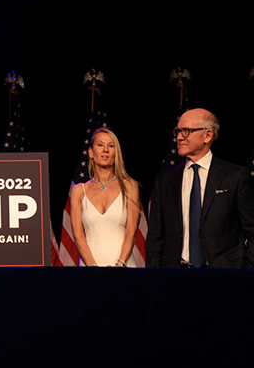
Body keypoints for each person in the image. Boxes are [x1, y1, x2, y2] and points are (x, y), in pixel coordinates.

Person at [146, 108, 254, 268]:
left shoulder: (235, 176)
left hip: (224, 277)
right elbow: (156, 236)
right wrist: (155, 276)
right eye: (178, 131)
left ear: (208, 135)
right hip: (175, 276)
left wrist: (245, 272)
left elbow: (251, 231)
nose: (179, 137)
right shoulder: (166, 179)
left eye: (186, 131)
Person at [70, 128, 141, 267]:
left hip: (123, 267)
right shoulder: (79, 190)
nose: (105, 150)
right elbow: (78, 237)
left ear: (116, 152)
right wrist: (93, 267)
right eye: (100, 145)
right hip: (90, 269)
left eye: (111, 146)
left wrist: (119, 264)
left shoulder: (130, 186)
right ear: (91, 152)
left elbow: (131, 232)